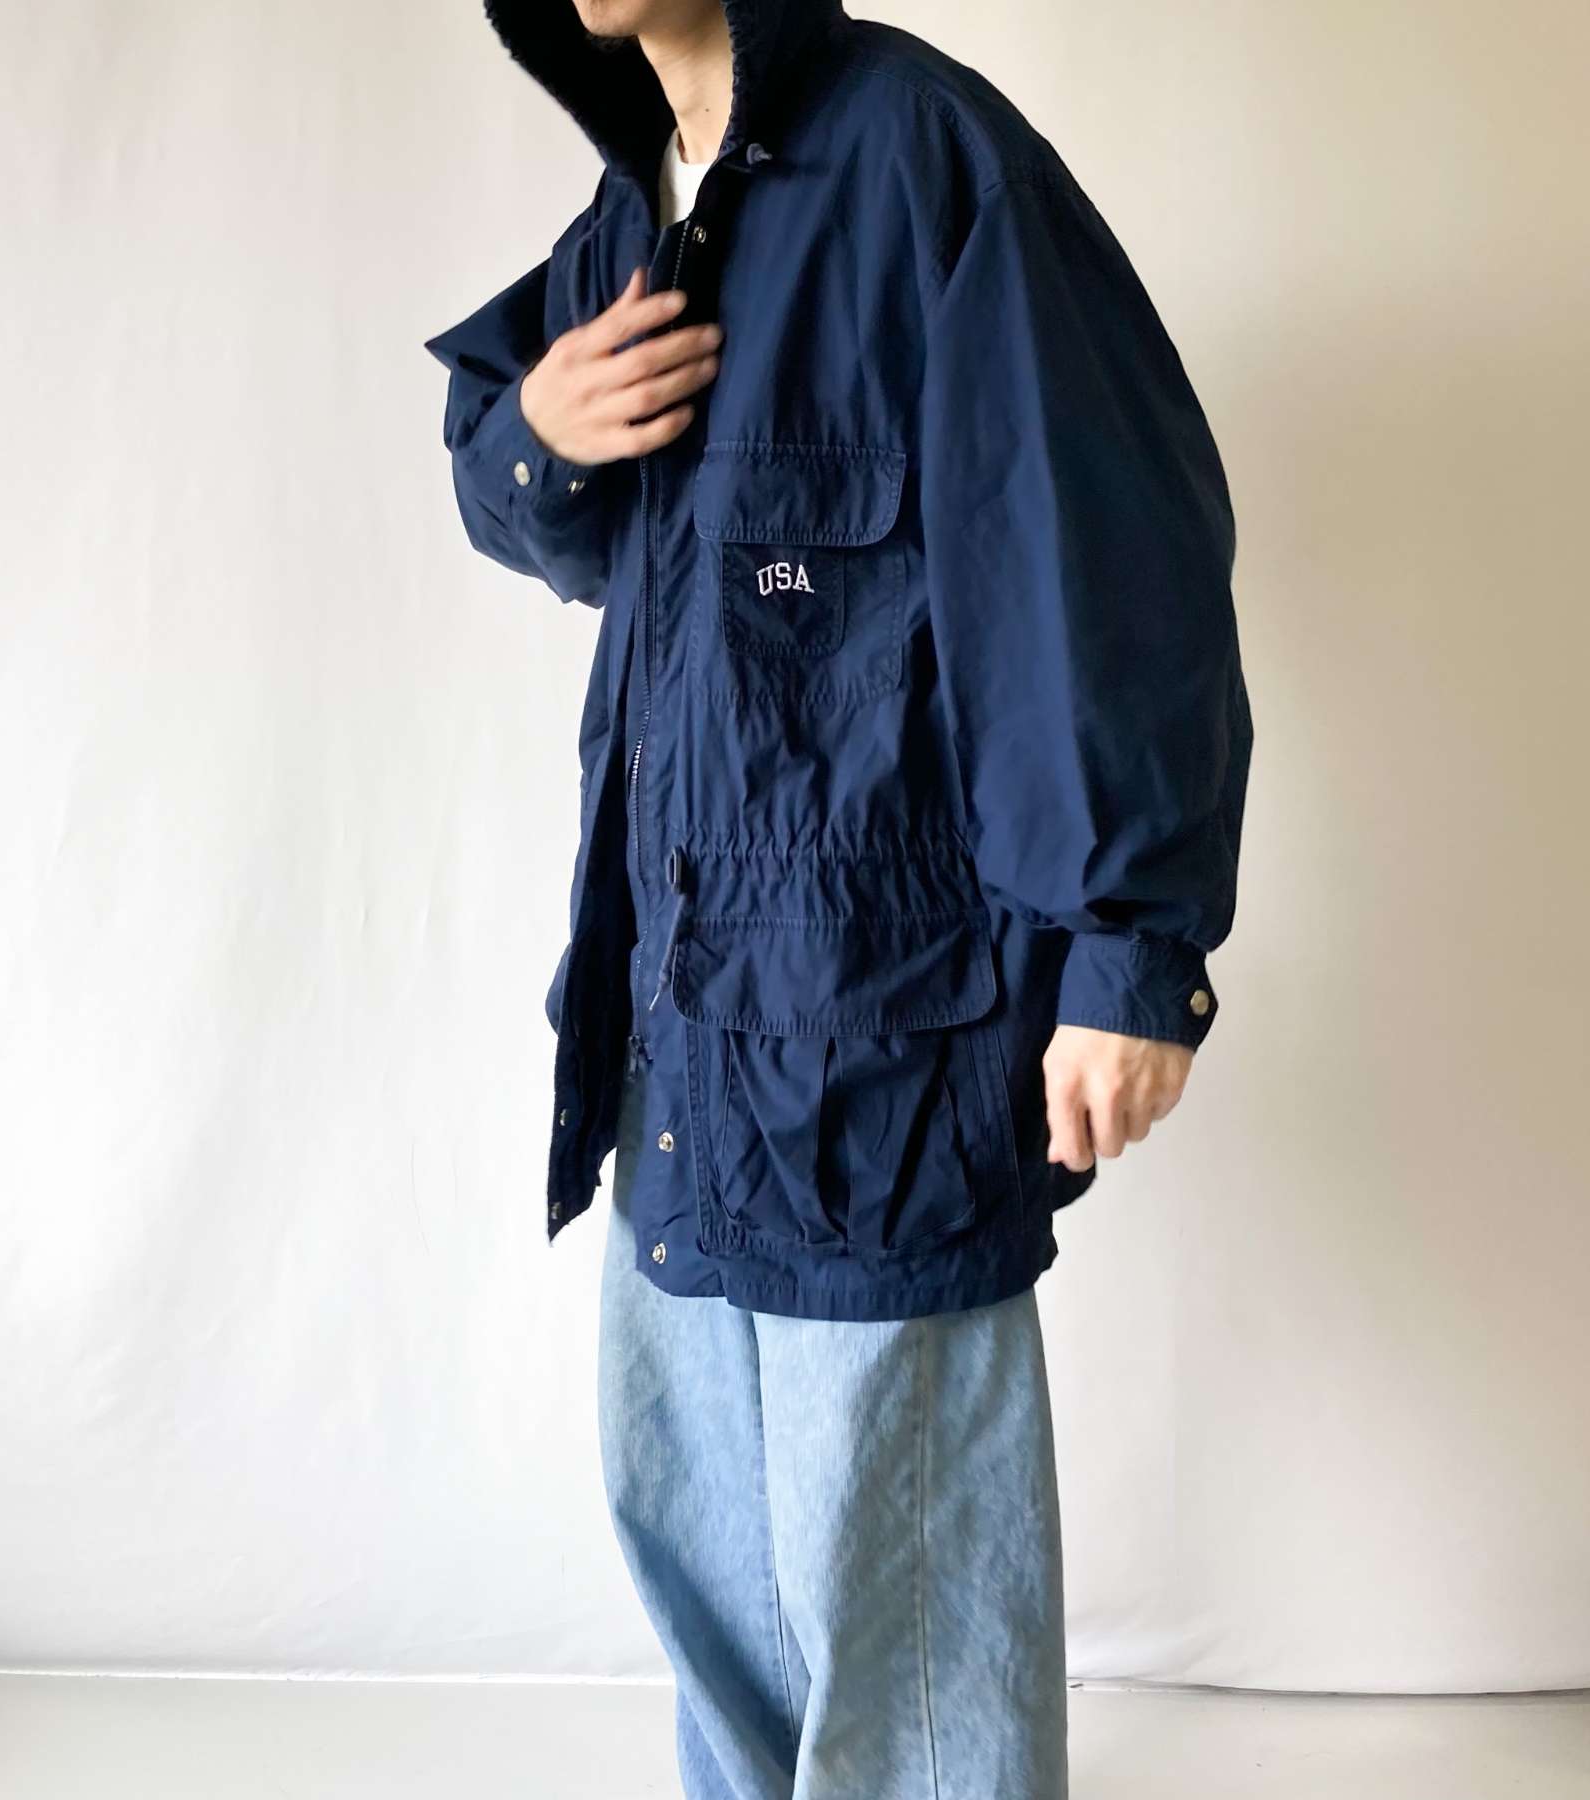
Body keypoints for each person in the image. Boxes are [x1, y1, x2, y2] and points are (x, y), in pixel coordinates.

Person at [424, 2, 1253, 1793]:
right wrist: (539, 430)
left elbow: (1104, 554)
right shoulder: (634, 214)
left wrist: (1131, 950)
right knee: (712, 1596)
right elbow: (534, 499)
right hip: (674, 1053)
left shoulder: (926, 163)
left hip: (885, 1050)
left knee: (910, 1628)